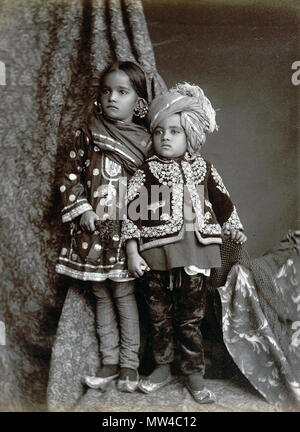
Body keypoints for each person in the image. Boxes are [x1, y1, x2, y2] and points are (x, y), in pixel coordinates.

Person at [122, 82, 247, 403]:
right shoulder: (146, 172)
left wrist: (234, 227)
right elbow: (129, 212)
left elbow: (223, 202)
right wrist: (133, 251)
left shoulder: (203, 168)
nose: (165, 137)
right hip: (155, 254)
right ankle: (162, 368)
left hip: (196, 250)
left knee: (190, 315)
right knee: (158, 315)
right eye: (160, 131)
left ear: (189, 134)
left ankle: (193, 373)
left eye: (174, 131)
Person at [56, 61, 151, 393]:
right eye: (107, 90)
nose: (112, 98)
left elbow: (150, 192)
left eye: (122, 92)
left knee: (125, 296)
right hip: (92, 231)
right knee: (101, 296)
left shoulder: (147, 143)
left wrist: (134, 232)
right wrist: (81, 206)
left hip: (125, 235)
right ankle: (108, 361)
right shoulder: (88, 133)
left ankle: (129, 365)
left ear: (139, 103)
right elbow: (70, 175)